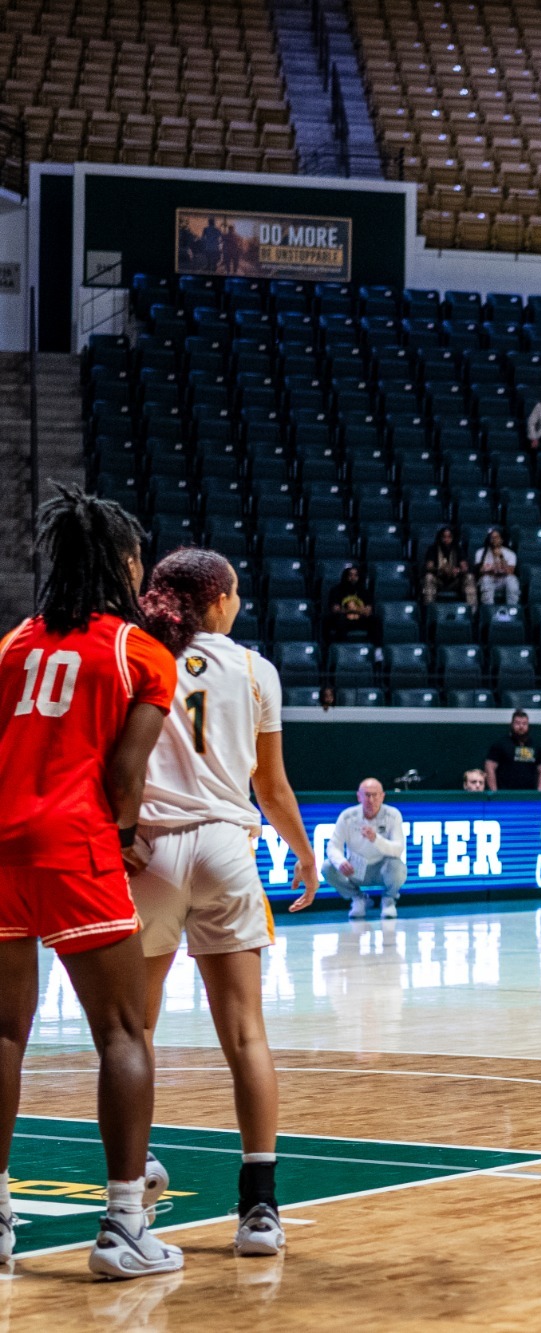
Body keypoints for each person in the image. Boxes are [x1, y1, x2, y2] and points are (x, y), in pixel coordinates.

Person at [0, 490, 180, 1278]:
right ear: (119, 563)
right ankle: (123, 1227)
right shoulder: (140, 652)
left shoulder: (11, 643)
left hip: (0, 843)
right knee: (121, 1033)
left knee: (3, 1034)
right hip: (75, 843)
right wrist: (124, 835)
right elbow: (125, 771)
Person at [130, 547, 318, 1260]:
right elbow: (269, 787)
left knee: (132, 1034)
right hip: (224, 846)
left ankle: (134, 1178)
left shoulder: (137, 654)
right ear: (217, 602)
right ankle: (260, 1210)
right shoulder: (254, 669)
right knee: (245, 1033)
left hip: (149, 850)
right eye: (234, 593)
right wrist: (301, 850)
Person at [324, 776, 406, 921]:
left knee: (398, 867)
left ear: (382, 796)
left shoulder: (393, 815)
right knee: (327, 867)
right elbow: (333, 846)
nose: (371, 800)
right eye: (367, 795)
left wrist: (376, 839)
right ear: (359, 797)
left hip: (382, 868)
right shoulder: (347, 816)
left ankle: (388, 900)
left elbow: (398, 849)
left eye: (375, 795)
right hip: (356, 868)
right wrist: (341, 861)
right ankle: (358, 899)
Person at [485, 709, 541, 791]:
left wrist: (540, 792)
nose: (521, 726)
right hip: (505, 794)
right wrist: (494, 792)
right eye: (517, 723)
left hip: (530, 795)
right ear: (511, 724)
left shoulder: (535, 745)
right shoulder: (500, 744)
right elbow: (489, 767)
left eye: (524, 724)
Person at [419, 526, 475, 606]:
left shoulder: (458, 549)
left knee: (469, 577)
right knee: (428, 577)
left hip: (455, 581)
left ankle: (472, 612)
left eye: (449, 537)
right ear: (440, 538)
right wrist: (440, 570)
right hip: (439, 580)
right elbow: (429, 566)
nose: (446, 540)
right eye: (444, 537)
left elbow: (464, 567)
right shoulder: (433, 549)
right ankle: (429, 610)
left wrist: (458, 570)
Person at [323, 565, 374, 643]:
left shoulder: (365, 592)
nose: (353, 578)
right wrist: (358, 610)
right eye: (350, 575)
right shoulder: (336, 590)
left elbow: (368, 611)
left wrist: (348, 610)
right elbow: (335, 610)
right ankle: (342, 649)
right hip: (343, 619)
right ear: (345, 576)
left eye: (356, 575)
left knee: (375, 620)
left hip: (360, 620)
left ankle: (376, 649)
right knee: (334, 620)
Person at [475, 528, 520, 607]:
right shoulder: (481, 552)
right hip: (489, 578)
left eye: (496, 537)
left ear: (501, 540)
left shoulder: (510, 553)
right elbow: (479, 571)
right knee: (485, 580)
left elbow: (510, 572)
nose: (494, 540)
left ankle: (512, 608)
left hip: (503, 579)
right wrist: (490, 570)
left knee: (512, 580)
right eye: (492, 537)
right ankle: (489, 609)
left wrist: (501, 557)